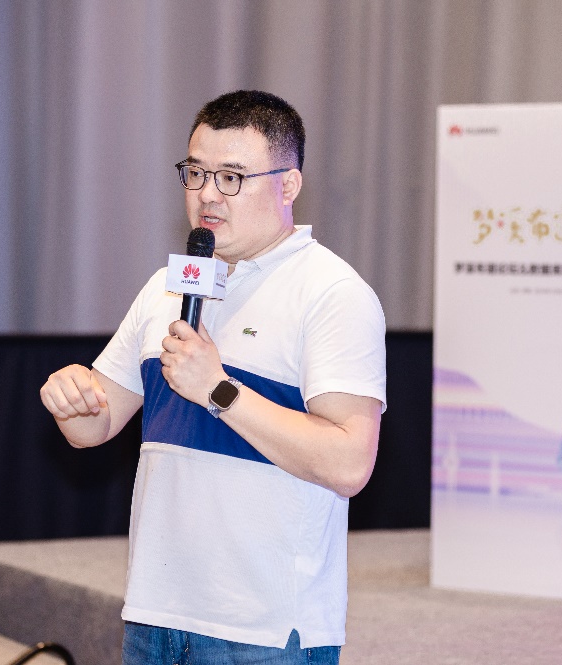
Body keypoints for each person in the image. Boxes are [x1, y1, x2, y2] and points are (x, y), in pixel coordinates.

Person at [40, 90, 386, 664]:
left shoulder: (332, 294)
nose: (207, 194)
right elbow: (92, 427)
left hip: (265, 632)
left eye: (231, 177)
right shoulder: (166, 288)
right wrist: (70, 396)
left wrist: (219, 390)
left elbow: (350, 463)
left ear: (288, 186)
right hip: (155, 615)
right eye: (196, 173)